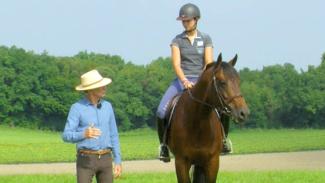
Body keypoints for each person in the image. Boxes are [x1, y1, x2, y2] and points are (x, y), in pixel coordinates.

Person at [156, 3, 232, 163]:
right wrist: (184, 81)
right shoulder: (177, 40)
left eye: (188, 20)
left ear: (196, 20)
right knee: (161, 111)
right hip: (181, 80)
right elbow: (176, 64)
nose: (185, 23)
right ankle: (164, 146)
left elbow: (209, 62)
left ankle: (224, 141)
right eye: (183, 21)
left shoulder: (205, 38)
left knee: (223, 109)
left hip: (202, 80)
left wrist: (201, 81)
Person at [62, 69, 122, 183]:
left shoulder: (108, 106)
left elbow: (114, 135)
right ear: (90, 90)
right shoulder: (77, 108)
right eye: (101, 86)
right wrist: (83, 134)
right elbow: (66, 135)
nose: (105, 88)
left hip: (106, 159)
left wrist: (118, 160)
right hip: (85, 159)